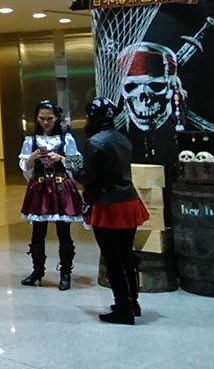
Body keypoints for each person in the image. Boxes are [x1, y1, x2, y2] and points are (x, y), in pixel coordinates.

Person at [78, 97, 149, 325]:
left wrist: (74, 172)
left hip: (107, 204)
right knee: (126, 255)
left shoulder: (94, 142)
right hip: (129, 200)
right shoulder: (122, 139)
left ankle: (122, 308)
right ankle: (133, 302)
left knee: (112, 258)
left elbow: (89, 177)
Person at [18, 99, 84, 290]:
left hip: (61, 187)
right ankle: (37, 271)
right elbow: (25, 166)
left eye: (49, 118)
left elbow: (77, 163)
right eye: (41, 118)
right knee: (37, 232)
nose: (45, 122)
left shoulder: (66, 138)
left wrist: (60, 158)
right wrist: (34, 156)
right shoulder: (31, 140)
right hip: (39, 188)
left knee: (64, 231)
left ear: (56, 118)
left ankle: (65, 273)